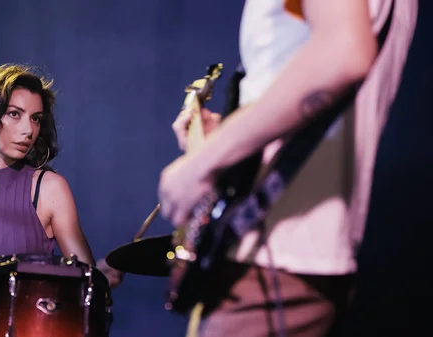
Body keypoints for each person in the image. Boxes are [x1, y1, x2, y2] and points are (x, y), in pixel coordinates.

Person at [158, 0, 418, 336]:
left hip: (269, 262)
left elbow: (342, 52)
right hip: (288, 261)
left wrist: (199, 167)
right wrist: (228, 137)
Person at [0, 64, 122, 287]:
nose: (28, 130)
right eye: (14, 114)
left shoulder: (49, 188)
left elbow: (86, 286)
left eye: (35, 118)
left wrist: (99, 277)